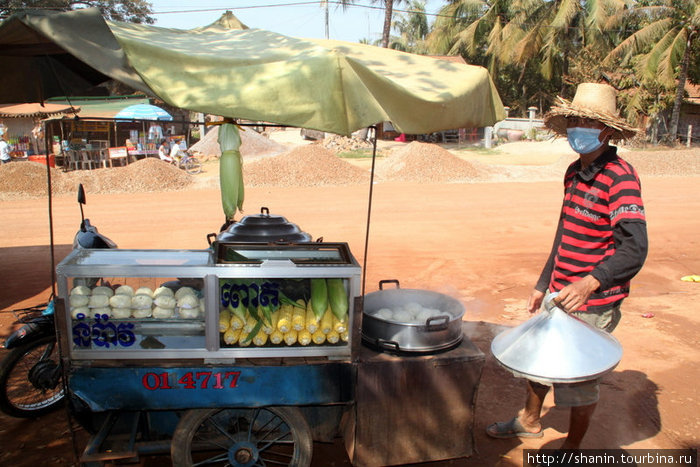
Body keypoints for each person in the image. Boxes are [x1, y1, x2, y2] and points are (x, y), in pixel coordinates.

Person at [486, 83, 648, 450]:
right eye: (575, 119)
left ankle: (571, 449)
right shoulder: (574, 171)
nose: (579, 127)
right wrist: (544, 282)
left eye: (588, 121)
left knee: (578, 377)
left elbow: (635, 248)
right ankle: (529, 420)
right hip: (560, 290)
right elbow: (565, 231)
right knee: (541, 359)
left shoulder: (621, 177)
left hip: (591, 300)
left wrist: (591, 282)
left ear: (606, 131)